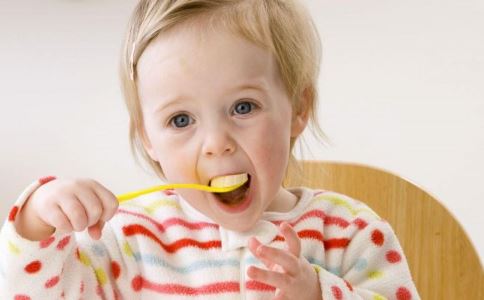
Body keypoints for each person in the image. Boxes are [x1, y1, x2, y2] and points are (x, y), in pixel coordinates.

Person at [0, 0, 419, 299]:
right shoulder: (130, 240)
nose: (217, 144)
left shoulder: (351, 234)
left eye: (243, 107)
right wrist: (37, 221)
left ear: (298, 108)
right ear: (147, 135)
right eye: (181, 120)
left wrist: (319, 294)